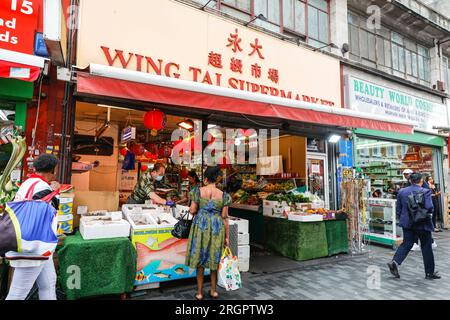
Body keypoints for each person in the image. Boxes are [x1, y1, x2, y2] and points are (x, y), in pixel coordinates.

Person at [6, 154, 60, 300]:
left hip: (30, 242)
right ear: (51, 171)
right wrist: (55, 192)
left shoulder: (27, 183)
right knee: (17, 294)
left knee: (48, 284)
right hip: (34, 246)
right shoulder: (43, 187)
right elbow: (52, 210)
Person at [185, 166, 231, 300]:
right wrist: (227, 237)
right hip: (217, 228)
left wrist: (197, 209)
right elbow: (224, 217)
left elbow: (192, 210)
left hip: (201, 226)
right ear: (216, 179)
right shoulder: (224, 195)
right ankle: (213, 291)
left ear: (205, 179)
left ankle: (199, 293)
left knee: (200, 258)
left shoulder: (197, 192)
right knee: (214, 258)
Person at [387, 173, 440, 280]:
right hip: (422, 223)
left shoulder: (402, 191)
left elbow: (399, 209)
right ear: (421, 180)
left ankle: (395, 262)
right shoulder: (425, 191)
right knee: (426, 246)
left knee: (407, 243)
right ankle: (429, 273)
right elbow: (430, 207)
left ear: (410, 181)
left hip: (407, 223)